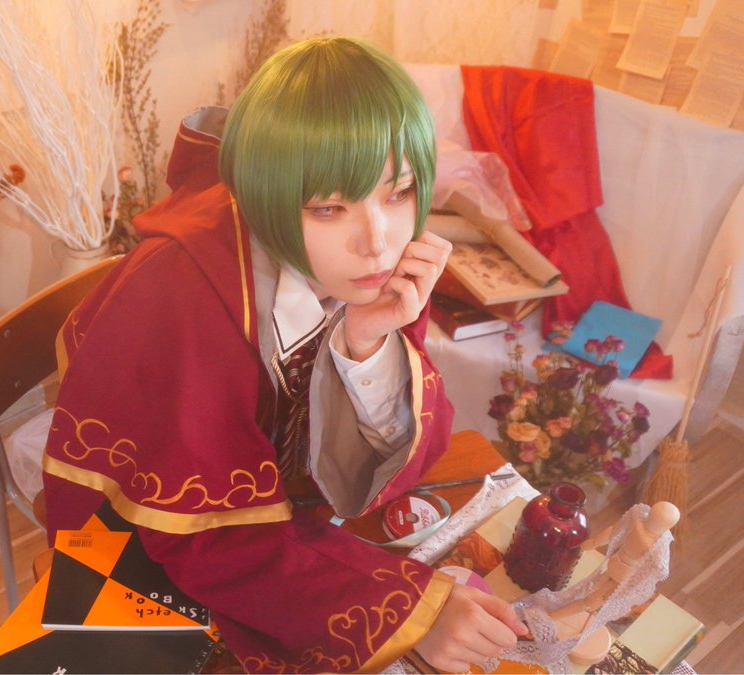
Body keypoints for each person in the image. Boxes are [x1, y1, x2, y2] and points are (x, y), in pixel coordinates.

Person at [42, 36, 527, 673]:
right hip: (153, 538)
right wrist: (409, 613)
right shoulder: (182, 300)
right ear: (267, 197)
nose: (378, 243)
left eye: (399, 192)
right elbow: (208, 535)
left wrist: (366, 344)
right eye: (329, 207)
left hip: (278, 505)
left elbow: (412, 451)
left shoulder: (368, 267)